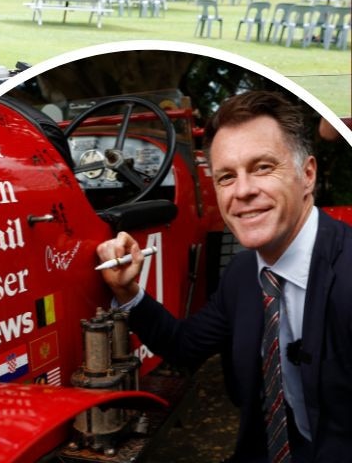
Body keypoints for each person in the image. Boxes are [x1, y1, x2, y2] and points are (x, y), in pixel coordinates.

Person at [96, 91, 352, 462]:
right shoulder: (244, 273)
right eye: (226, 177)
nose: (243, 191)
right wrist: (128, 291)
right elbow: (185, 347)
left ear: (307, 174)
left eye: (263, 167)